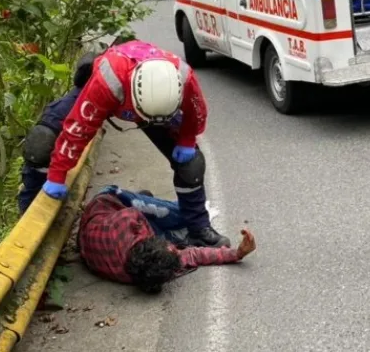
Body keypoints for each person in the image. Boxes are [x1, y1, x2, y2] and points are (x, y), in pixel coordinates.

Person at [42, 39, 230, 248]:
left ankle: (198, 230)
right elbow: (78, 129)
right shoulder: (107, 82)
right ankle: (37, 215)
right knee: (40, 143)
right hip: (114, 93)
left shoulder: (184, 77)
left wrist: (186, 141)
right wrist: (57, 174)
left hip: (154, 103)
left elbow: (196, 113)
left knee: (192, 164)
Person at [78, 185, 257, 293]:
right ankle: (149, 200)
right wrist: (237, 253)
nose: (176, 251)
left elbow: (134, 212)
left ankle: (140, 197)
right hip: (100, 235)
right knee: (187, 213)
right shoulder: (142, 274)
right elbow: (192, 255)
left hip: (107, 202)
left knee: (171, 217)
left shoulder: (128, 219)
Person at [17, 53, 96, 214]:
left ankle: (25, 215)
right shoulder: (86, 101)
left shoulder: (70, 97)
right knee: (38, 193)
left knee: (30, 190)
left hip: (41, 151)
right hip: (49, 153)